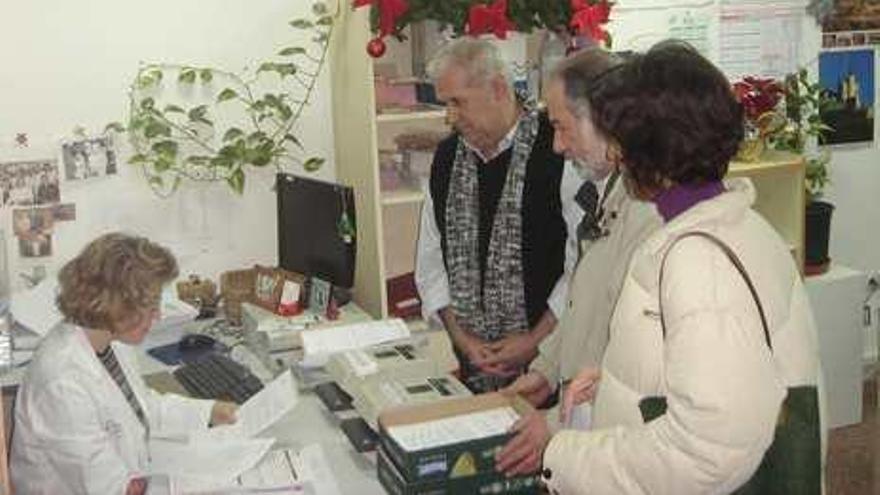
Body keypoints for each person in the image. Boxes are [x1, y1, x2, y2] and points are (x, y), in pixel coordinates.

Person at [497, 41, 821, 493]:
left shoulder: (697, 262)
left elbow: (706, 451)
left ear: (645, 145)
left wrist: (566, 454)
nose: (614, 152)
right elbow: (713, 375)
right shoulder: (737, 227)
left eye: (619, 136)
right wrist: (610, 387)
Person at [11, 233, 239, 494]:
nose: (159, 315)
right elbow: (109, 488)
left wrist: (210, 412)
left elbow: (141, 408)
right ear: (117, 306)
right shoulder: (62, 382)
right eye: (151, 307)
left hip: (129, 472)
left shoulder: (108, 341)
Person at [505, 49, 662, 410]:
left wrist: (555, 428)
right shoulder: (605, 190)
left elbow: (629, 353)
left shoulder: (649, 213)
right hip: (580, 410)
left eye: (561, 126)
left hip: (609, 419)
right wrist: (547, 369)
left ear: (603, 118)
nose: (557, 146)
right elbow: (583, 304)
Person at [415, 38, 571, 393]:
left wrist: (535, 340)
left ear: (499, 88)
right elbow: (431, 259)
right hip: (473, 365)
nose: (449, 117)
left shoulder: (559, 149)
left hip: (550, 368)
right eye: (446, 104)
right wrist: (463, 338)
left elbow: (582, 264)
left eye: (458, 102)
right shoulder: (446, 159)